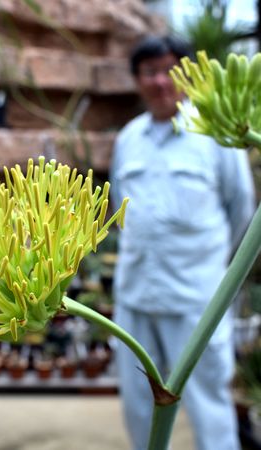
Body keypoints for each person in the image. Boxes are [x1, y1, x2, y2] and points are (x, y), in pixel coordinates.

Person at [110, 35, 256, 450]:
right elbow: (119, 207)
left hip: (197, 301)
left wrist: (211, 268)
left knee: (209, 404)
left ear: (187, 75)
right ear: (137, 80)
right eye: (149, 71)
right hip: (135, 298)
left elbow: (241, 210)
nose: (160, 81)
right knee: (138, 405)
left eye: (169, 70)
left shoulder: (216, 135)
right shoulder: (128, 140)